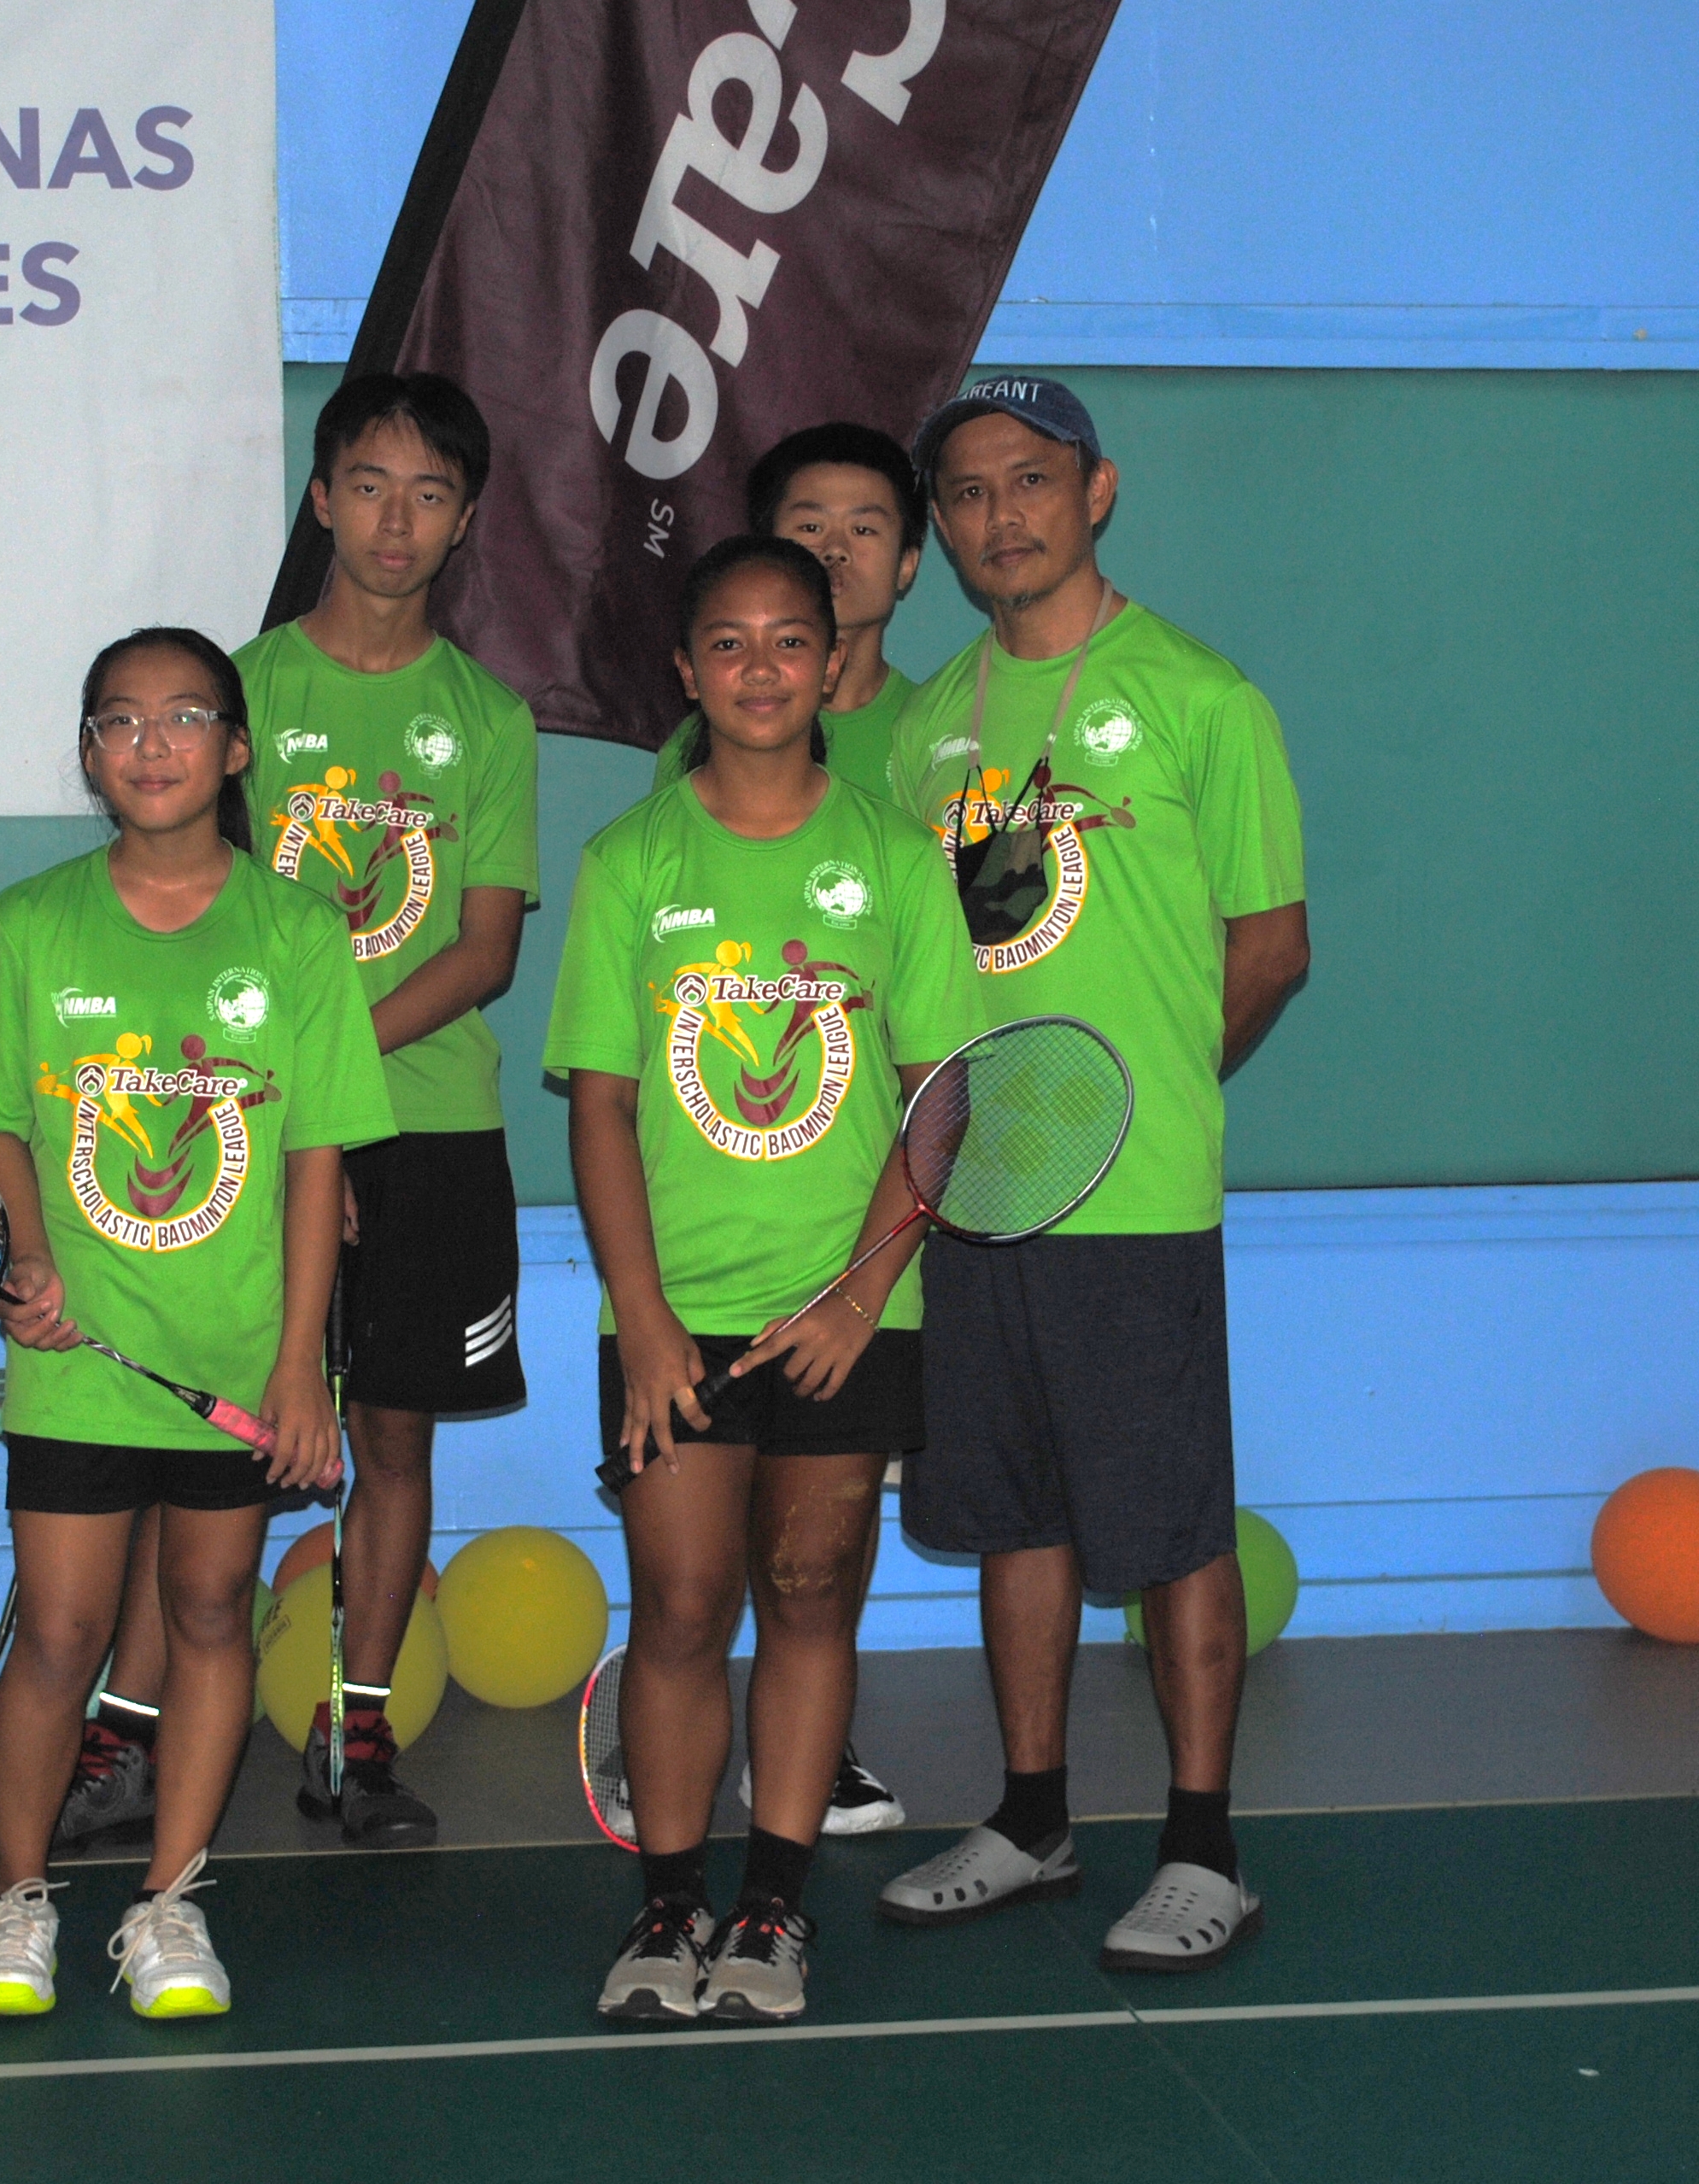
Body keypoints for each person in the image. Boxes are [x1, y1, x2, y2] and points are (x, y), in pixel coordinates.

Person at [879, 377, 1309, 1970]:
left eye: (1031, 481)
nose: (1002, 513)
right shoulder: (930, 729)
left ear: (1097, 491)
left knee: (1174, 1518)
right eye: (970, 492)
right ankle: (1034, 1814)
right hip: (975, 1201)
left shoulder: (1205, 696)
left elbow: (1270, 952)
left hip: (1135, 1206)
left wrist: (1138, 1108)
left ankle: (1205, 1849)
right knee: (1015, 1516)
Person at [548, 536, 986, 2024]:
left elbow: (939, 1096)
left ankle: (775, 1910)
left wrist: (861, 1292)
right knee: (678, 1602)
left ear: (831, 661)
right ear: (687, 670)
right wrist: (649, 1319)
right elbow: (600, 1103)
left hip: (848, 1313)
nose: (757, 667)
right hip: (676, 1318)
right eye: (724, 642)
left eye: (787, 640)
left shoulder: (891, 854)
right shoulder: (629, 862)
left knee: (809, 1592)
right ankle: (669, 1904)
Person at [0, 628, 395, 2017]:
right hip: (77, 1360)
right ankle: (17, 1902)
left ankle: (166, 1903)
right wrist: (28, 1248)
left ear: (236, 748)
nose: (151, 742)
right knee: (64, 1633)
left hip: (234, 1356)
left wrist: (302, 1365)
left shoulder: (299, 933)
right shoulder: (29, 922)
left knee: (209, 1613)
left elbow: (320, 1159)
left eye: (186, 715)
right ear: (90, 754)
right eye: (120, 720)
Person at [236, 371, 539, 1847]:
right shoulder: (241, 695)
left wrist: (337, 1091)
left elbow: (482, 950)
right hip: (247, 1126)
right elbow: (198, 929)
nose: (395, 519)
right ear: (321, 497)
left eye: (428, 493)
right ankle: (137, 1727)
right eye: (368, 484)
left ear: (465, 518)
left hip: (430, 1136)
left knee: (396, 1446)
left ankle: (361, 1735)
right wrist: (301, 1116)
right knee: (217, 1444)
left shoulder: (486, 718)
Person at [656, 420, 929, 1836]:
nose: (832, 542)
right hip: (723, 1224)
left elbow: (974, 983)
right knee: (709, 1565)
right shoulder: (683, 777)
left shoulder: (959, 739)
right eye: (803, 517)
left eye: (865, 521)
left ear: (907, 558)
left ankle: (818, 1751)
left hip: (893, 1194)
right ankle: (714, 1751)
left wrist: (876, 1257)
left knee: (826, 1542)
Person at [651, 421, 923, 805]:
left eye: (863, 530)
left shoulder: (938, 725)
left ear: (907, 564)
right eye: (811, 526)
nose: (834, 550)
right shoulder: (703, 741)